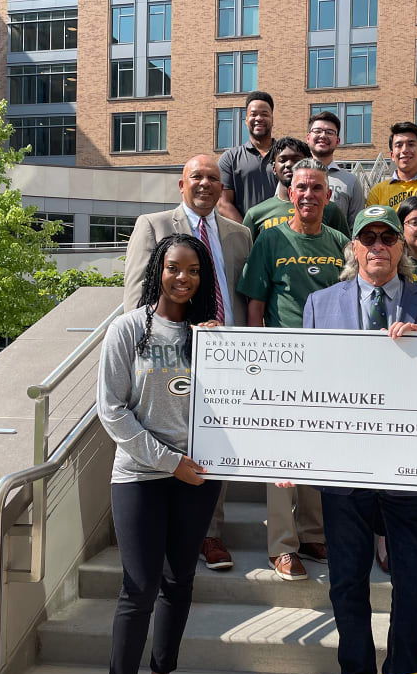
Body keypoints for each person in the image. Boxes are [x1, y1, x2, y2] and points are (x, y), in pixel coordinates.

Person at [300, 204, 417, 674]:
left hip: (412, 469)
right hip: (345, 471)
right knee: (347, 581)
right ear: (353, 247)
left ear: (401, 246)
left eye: (387, 238)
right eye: (367, 238)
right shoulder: (319, 304)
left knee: (414, 583)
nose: (378, 247)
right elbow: (308, 386)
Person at [97, 234, 223, 674]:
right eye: (174, 268)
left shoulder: (210, 336)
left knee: (179, 582)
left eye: (193, 270)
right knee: (140, 586)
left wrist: (221, 346)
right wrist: (170, 462)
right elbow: (112, 411)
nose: (183, 278)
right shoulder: (127, 329)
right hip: (139, 476)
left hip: (197, 477)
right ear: (158, 271)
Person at [122, 154, 253, 573]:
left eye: (213, 178)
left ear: (221, 187)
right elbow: (135, 295)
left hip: (225, 357)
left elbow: (241, 294)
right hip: (169, 358)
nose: (205, 184)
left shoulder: (240, 235)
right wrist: (144, 349)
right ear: (182, 184)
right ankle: (168, 529)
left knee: (217, 441)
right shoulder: (153, 225)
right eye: (196, 176)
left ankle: (209, 532)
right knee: (171, 437)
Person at [237, 158, 348, 580]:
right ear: (290, 191)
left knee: (318, 450)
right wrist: (258, 357)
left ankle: (313, 533)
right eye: (301, 187)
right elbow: (255, 304)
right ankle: (282, 546)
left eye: (316, 188)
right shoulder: (271, 239)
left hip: (329, 363)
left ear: (328, 195)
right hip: (281, 362)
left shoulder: (341, 242)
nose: (308, 195)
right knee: (281, 454)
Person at [241, 136, 350, 240]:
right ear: (274, 168)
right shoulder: (255, 215)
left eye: (296, 159)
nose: (289, 164)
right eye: (282, 160)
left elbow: (345, 248)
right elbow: (245, 251)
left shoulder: (330, 210)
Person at [217, 91, 278, 222]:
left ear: (272, 119)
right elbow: (223, 204)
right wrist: (247, 231)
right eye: (253, 114)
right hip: (244, 232)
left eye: (264, 114)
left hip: (283, 232)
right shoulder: (230, 158)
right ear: (246, 120)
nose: (259, 118)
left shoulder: (286, 155)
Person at [366, 122, 417, 209]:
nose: (405, 150)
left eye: (411, 144)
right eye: (399, 145)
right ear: (392, 155)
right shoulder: (377, 193)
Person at [307, 111, 366, 220]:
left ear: (337, 141)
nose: (323, 135)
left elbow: (356, 225)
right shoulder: (294, 176)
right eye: (317, 131)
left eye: (329, 132)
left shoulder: (351, 181)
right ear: (308, 138)